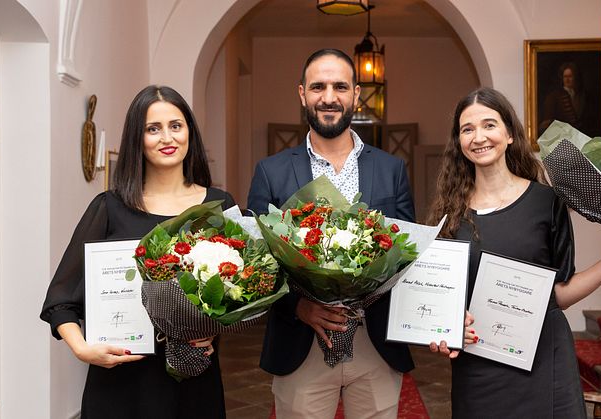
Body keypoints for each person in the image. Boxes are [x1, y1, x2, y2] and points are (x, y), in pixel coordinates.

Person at [426, 87, 601, 418]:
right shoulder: (449, 215)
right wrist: (445, 327)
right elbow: (440, 297)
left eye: (489, 124)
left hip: (545, 362)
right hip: (478, 366)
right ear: (458, 142)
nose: (478, 137)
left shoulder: (547, 202)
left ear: (510, 134)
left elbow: (560, 293)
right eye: (467, 129)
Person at [40, 85, 234, 419]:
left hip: (193, 378)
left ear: (190, 132)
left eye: (176, 125)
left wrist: (216, 327)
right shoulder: (109, 207)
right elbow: (60, 300)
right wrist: (83, 349)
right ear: (137, 139)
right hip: (121, 383)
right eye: (153, 129)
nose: (167, 137)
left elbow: (243, 292)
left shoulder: (220, 206)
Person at [247, 48, 414, 419]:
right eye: (318, 86)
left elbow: (407, 255)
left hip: (376, 340)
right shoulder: (270, 172)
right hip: (300, 344)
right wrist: (298, 307)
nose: (329, 97)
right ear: (302, 94)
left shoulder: (392, 170)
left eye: (340, 86)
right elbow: (256, 262)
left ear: (356, 94)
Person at [538, 62, 601, 137]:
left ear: (575, 77)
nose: (567, 79)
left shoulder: (584, 96)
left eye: (570, 76)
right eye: (565, 77)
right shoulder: (554, 97)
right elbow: (547, 123)